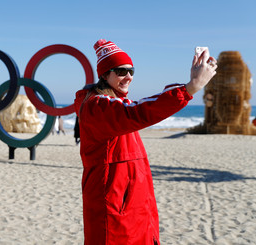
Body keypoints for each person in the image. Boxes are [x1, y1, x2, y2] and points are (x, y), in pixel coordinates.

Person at [74, 39, 217, 245]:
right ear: (105, 75)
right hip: (114, 206)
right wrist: (191, 87)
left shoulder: (113, 104)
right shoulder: (97, 106)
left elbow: (139, 108)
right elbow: (140, 111)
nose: (128, 76)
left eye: (131, 71)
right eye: (121, 71)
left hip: (134, 205)